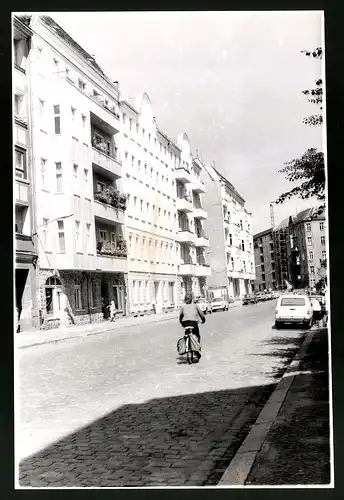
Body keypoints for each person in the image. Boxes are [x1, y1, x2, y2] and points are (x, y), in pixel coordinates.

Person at [179, 293, 205, 359]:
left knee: (186, 335)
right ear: (191, 299)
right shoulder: (195, 306)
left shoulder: (183, 307)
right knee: (197, 335)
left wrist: (182, 323)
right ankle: (196, 350)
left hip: (185, 324)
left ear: (185, 300)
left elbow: (180, 316)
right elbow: (201, 313)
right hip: (193, 323)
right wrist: (203, 319)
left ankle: (186, 345)